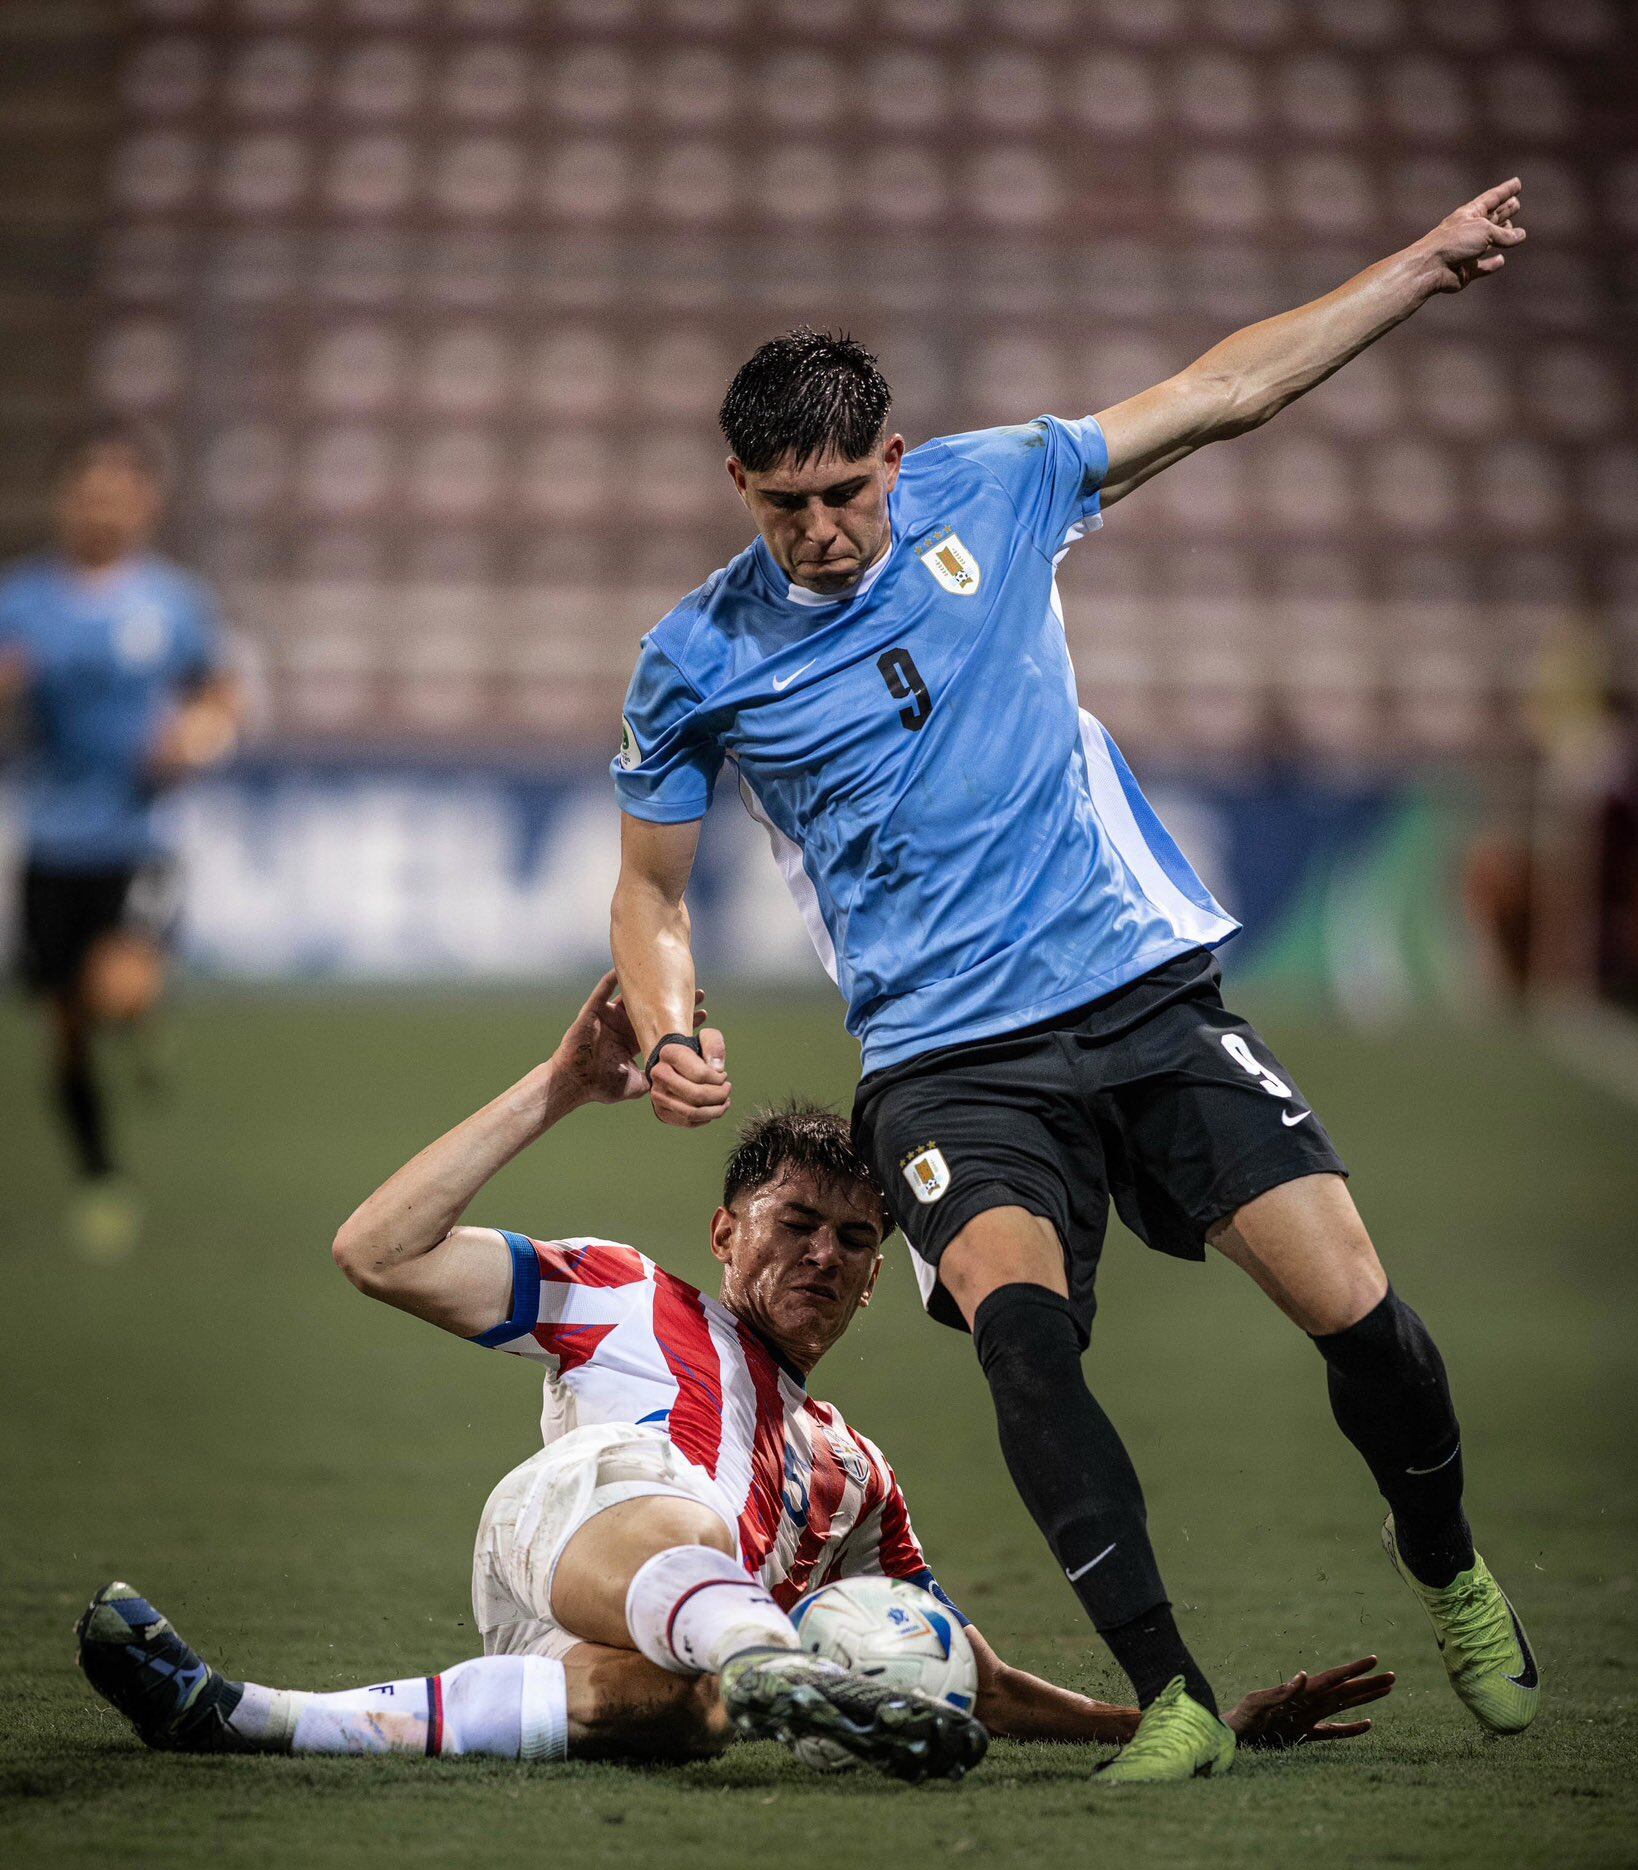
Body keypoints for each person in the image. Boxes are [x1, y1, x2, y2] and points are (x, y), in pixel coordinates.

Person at [607, 182, 1539, 1783]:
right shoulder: (696, 654)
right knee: (1020, 1341)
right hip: (940, 1057)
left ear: (893, 459)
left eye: (841, 493)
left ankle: (1445, 1560)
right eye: (781, 507)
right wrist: (667, 1017)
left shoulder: (1001, 488)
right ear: (738, 486)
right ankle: (1174, 1693)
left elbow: (1223, 390)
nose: (818, 531)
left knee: (1358, 1316)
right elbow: (647, 889)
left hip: (1137, 994)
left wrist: (1412, 269)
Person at [76, 975, 1391, 1779]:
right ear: (725, 1232)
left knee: (679, 1716)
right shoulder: (620, 1292)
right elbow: (376, 1250)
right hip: (574, 1525)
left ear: (880, 1273)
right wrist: (550, 1090)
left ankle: (236, 1717)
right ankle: (765, 1656)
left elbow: (960, 1673)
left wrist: (1176, 1715)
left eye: (854, 1240)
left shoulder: (854, 1473)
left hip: (623, 1647)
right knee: (698, 1548)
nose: (822, 1255)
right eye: (792, 1224)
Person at [0, 423, 241, 1258]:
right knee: (63, 1030)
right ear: (68, 499)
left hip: (139, 838)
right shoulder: (22, 601)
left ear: (146, 501)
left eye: (119, 488)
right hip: (50, 841)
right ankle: (100, 1172)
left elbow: (219, 693)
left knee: (119, 991)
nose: (103, 505)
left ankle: (143, 1019)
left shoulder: (173, 603)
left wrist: (196, 738)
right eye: (88, 488)